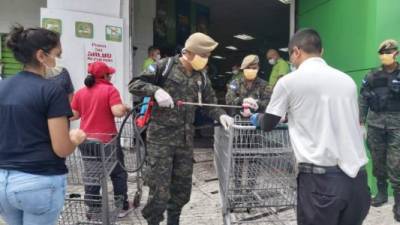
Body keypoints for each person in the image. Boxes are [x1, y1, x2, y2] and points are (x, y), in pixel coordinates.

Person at [251, 28, 370, 225]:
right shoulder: (347, 81)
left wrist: (256, 118)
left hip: (321, 185)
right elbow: (331, 117)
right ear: (321, 52)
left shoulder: (289, 82)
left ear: (296, 51)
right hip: (357, 182)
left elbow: (268, 124)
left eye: (291, 56)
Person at [129, 32, 234, 225]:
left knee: (181, 190)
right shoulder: (164, 66)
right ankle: (153, 222)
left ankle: (173, 221)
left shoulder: (201, 76)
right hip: (161, 141)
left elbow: (210, 100)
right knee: (159, 190)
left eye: (207, 56)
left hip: (185, 142)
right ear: (188, 52)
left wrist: (221, 114)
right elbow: (135, 84)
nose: (206, 60)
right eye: (204, 55)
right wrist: (156, 90)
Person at [0, 25, 87, 225]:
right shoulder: (51, 91)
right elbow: (61, 148)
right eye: (56, 54)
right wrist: (75, 138)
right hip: (38, 182)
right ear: (41, 56)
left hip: (3, 181)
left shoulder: (2, 87)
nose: (56, 60)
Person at [70, 61, 132, 218]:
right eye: (109, 74)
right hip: (107, 141)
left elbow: (74, 115)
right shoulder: (110, 90)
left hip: (86, 141)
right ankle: (122, 205)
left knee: (92, 173)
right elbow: (117, 112)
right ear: (104, 75)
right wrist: (125, 107)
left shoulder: (81, 92)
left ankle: (93, 208)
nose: (111, 76)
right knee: (117, 173)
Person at [359, 39, 400, 220]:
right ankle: (382, 194)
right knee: (377, 160)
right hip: (375, 124)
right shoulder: (371, 76)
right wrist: (360, 122)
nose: (386, 55)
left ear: (396, 53)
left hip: (397, 125)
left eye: (389, 52)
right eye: (383, 53)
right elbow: (363, 98)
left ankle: (398, 202)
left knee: (396, 163)